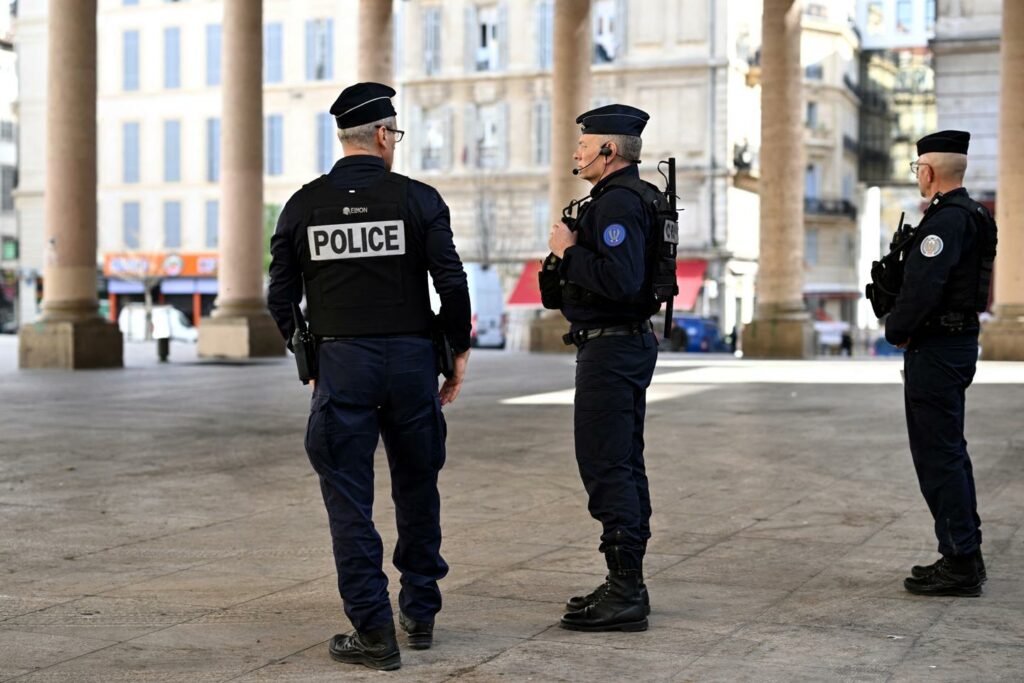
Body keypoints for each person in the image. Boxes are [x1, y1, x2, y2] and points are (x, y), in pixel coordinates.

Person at [267, 82, 472, 670]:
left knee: (349, 500)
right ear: (383, 136)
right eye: (396, 134)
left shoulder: (303, 206)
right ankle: (420, 612)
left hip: (343, 362)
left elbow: (280, 297)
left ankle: (373, 632)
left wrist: (307, 355)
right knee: (417, 485)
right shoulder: (419, 199)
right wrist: (455, 349)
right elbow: (451, 282)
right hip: (411, 362)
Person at [547, 104, 660, 632]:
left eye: (585, 145)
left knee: (606, 461)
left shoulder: (616, 205)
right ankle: (626, 581)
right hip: (620, 345)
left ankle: (625, 590)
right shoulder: (622, 200)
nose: (577, 153)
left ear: (609, 150)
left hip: (612, 348)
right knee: (621, 459)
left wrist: (568, 252)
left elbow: (620, 280)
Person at [886, 130, 998, 597]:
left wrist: (897, 329)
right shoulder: (973, 214)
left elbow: (924, 288)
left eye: (918, 169)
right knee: (948, 449)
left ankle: (960, 561)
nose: (917, 176)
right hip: (956, 340)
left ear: (928, 172)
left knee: (939, 454)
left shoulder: (945, 222)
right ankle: (963, 551)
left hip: (937, 346)